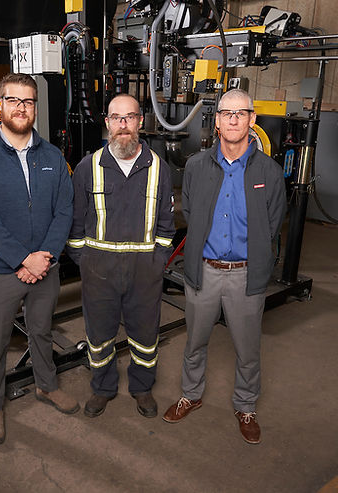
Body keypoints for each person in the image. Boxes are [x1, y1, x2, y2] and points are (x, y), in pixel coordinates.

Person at [161, 88, 286, 445]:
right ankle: (191, 394)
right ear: (216, 122)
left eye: (240, 113)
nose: (233, 119)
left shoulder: (270, 172)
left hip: (247, 276)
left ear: (252, 120)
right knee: (195, 341)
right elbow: (191, 212)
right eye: (226, 113)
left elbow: (273, 222)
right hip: (204, 272)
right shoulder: (198, 167)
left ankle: (245, 405)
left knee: (247, 349)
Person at [0, 73, 77, 447]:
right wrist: (22, 259)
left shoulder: (52, 155)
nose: (21, 108)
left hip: (46, 266)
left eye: (28, 101)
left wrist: (44, 258)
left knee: (42, 331)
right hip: (1, 271)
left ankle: (46, 385)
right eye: (13, 100)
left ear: (35, 107)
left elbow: (64, 210)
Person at [66, 93, 175, 418]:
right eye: (116, 118)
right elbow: (76, 223)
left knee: (144, 334)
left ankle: (142, 388)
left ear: (141, 122)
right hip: (99, 272)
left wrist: (157, 261)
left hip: (145, 272)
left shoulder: (158, 168)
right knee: (99, 335)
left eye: (130, 117)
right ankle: (103, 387)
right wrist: (84, 261)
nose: (123, 124)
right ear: (108, 123)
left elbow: (167, 225)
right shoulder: (89, 168)